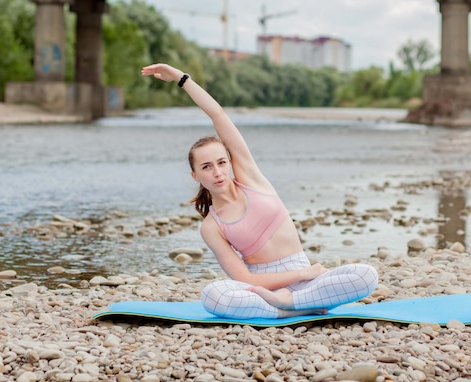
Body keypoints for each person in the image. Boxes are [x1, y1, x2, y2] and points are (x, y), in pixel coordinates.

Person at [141, 63, 379, 320]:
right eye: (207, 167)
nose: (218, 172)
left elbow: (218, 115)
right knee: (213, 295)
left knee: (367, 275)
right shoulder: (211, 226)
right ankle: (291, 307)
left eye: (222, 163)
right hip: (266, 288)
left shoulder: (251, 179)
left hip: (305, 281)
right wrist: (302, 274)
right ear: (195, 175)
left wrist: (181, 78)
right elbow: (243, 278)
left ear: (230, 162)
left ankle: (291, 304)